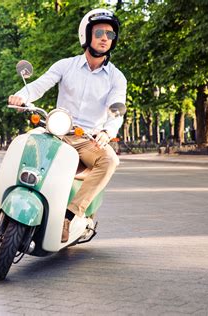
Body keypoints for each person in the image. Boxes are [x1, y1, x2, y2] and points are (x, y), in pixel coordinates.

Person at [8, 8, 127, 243]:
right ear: (87, 34)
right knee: (24, 145)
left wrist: (108, 131)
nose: (105, 38)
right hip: (57, 131)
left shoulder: (116, 77)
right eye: (100, 32)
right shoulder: (65, 65)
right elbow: (39, 86)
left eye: (110, 35)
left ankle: (70, 216)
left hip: (88, 138)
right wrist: (21, 96)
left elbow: (116, 109)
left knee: (110, 160)